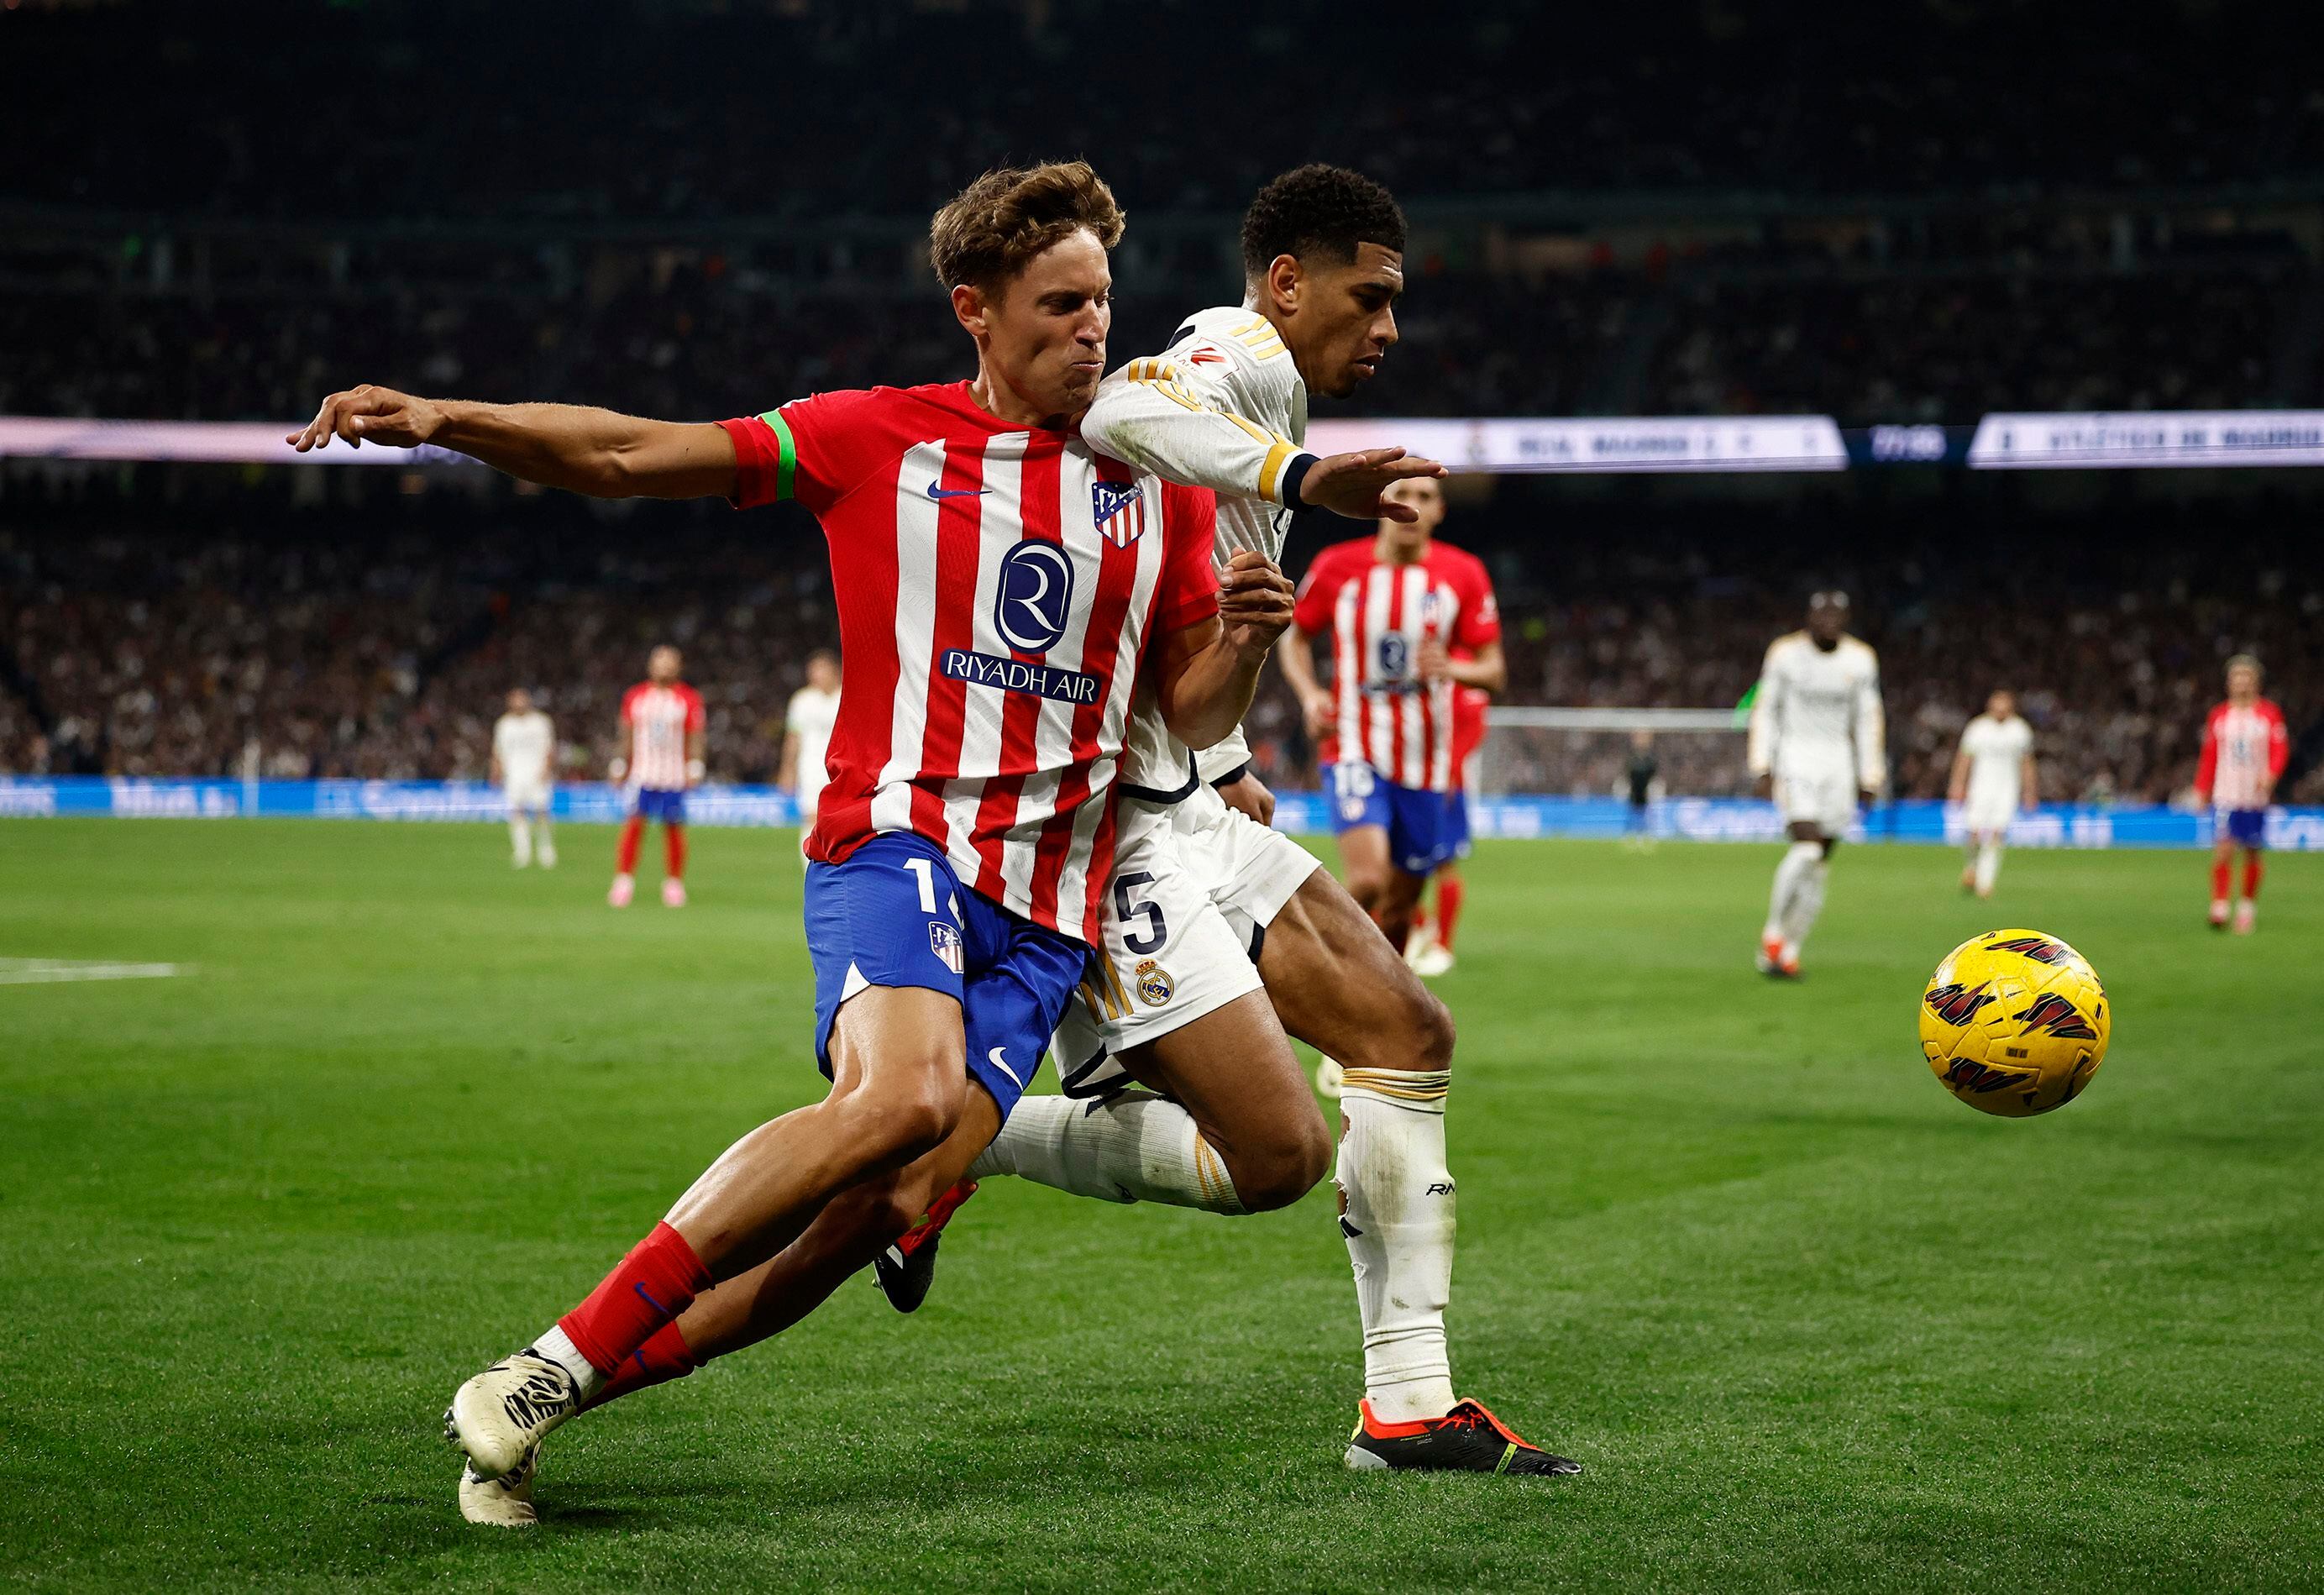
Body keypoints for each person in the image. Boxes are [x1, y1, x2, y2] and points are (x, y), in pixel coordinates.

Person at [515, 164, 1576, 1487]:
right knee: (1273, 1155)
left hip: (1185, 793)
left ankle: (1402, 1402)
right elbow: (1136, 402)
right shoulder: (1230, 353)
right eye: (1370, 298)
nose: (1390, 329)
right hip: (1108, 834)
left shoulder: (1259, 391)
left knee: (1399, 1038)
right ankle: (974, 1124)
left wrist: (1235, 740)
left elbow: (1190, 622)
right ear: (1287, 284)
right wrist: (1305, 481)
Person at [290, 159, 1298, 1524]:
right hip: (900, 838)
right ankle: (557, 1353)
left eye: (1101, 302)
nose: (1090, 331)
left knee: (865, 1218)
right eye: (1058, 304)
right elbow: (627, 452)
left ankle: (539, 1402)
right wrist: (445, 418)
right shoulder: (876, 438)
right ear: (975, 311)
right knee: (895, 1100)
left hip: (1050, 907)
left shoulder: (1161, 481)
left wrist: (1240, 634)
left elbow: (1184, 713)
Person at [1280, 475, 1506, 954]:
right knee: (1367, 882)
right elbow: (1296, 637)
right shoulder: (1338, 567)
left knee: (1401, 906)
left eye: (1424, 497)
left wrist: (1454, 668)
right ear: (1382, 503)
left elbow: (1494, 671)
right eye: (1401, 494)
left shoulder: (1463, 573)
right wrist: (1309, 694)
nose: (1412, 505)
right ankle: (1323, 977)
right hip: (1352, 744)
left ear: (1440, 510)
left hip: (1427, 761)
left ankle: (1386, 1000)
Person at [1746, 591, 1884, 979]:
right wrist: (1761, 764)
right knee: (1806, 850)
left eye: (1836, 614)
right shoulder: (1785, 654)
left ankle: (1786, 952)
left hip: (1839, 764)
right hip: (1795, 758)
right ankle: (1774, 931)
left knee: (1819, 868)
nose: (1828, 620)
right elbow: (1766, 709)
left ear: (1846, 618)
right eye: (1821, 613)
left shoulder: (1860, 659)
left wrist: (1870, 774)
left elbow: (1868, 719)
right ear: (1809, 616)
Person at [1404, 662, 1488, 974]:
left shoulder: (1464, 671)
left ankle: (1443, 945)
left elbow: (1475, 727)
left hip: (1447, 785)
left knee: (1444, 863)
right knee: (1397, 863)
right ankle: (1419, 926)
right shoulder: (1420, 669)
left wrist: (1451, 770)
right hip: (1411, 781)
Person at [2195, 654, 2287, 933]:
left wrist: (2271, 775)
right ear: (2229, 683)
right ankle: (2220, 906)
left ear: (2255, 682)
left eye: (2246, 677)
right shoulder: (2219, 715)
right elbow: (2210, 754)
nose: (2241, 683)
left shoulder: (2269, 714)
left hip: (2254, 797)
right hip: (2226, 795)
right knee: (2223, 849)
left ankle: (2246, 908)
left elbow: (2280, 749)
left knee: (2251, 852)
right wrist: (2202, 787)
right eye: (2236, 677)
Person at [608, 645, 703, 907]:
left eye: (670, 662)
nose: (664, 666)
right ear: (650, 665)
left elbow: (695, 735)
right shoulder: (636, 696)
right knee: (634, 827)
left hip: (673, 775)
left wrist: (695, 766)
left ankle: (674, 883)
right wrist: (619, 764)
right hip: (642, 774)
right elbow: (625, 733)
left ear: (678, 667)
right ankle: (623, 881)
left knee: (673, 828)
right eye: (660, 661)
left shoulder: (688, 698)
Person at [1946, 690, 2035, 898]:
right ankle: (1971, 867)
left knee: (1996, 835)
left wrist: (2030, 791)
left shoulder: (2019, 730)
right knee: (1974, 834)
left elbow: (2027, 763)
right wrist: (1958, 784)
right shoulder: (1978, 728)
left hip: (2007, 791)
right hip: (1980, 788)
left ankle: (1986, 883)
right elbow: (1964, 759)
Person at [778, 648, 841, 866]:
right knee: (811, 818)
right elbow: (793, 738)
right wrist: (787, 771)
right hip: (810, 767)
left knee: (838, 821)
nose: (816, 675)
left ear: (835, 671)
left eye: (821, 669)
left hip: (840, 768)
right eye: (812, 670)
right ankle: (810, 868)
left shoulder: (846, 696)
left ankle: (836, 865)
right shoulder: (802, 700)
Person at [490, 688, 557, 868]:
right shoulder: (504, 725)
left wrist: (546, 770)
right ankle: (522, 852)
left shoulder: (541, 722)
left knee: (541, 813)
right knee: (516, 812)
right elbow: (498, 751)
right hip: (514, 775)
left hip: (537, 774)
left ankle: (546, 850)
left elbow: (550, 749)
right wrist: (496, 771)